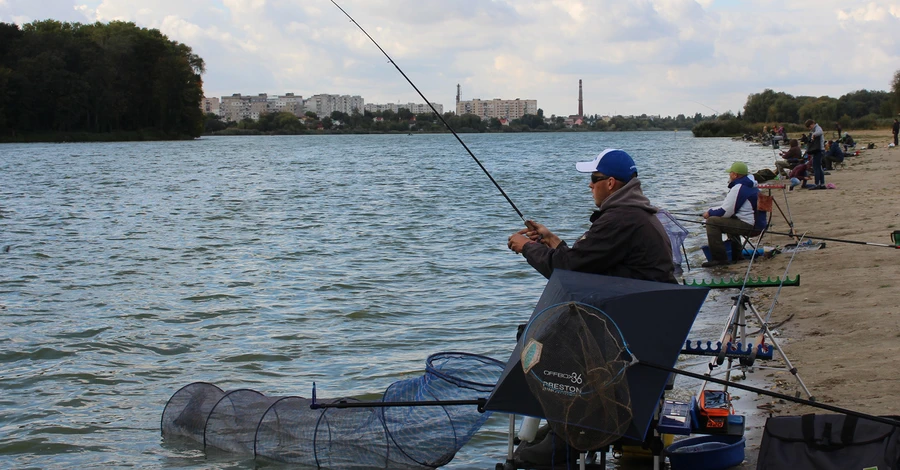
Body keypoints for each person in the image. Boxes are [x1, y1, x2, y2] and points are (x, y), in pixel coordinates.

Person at [507, 148, 677, 284]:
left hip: (641, 308)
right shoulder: (635, 212)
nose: (590, 185)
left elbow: (567, 270)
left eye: (594, 178)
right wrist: (551, 240)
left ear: (610, 183)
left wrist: (527, 247)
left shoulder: (620, 219)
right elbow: (584, 262)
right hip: (647, 302)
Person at [701, 162, 767, 267]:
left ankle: (719, 260)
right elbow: (730, 210)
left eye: (730, 173)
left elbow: (725, 212)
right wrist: (713, 211)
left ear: (735, 175)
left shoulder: (739, 187)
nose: (729, 175)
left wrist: (709, 213)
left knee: (712, 222)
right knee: (730, 219)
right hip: (760, 224)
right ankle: (737, 255)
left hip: (752, 226)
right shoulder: (751, 185)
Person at [805, 119, 826, 189]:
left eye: (809, 127)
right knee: (819, 167)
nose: (809, 128)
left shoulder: (817, 128)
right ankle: (822, 184)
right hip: (820, 150)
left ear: (812, 124)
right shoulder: (815, 129)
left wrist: (813, 135)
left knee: (816, 167)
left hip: (819, 150)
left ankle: (817, 184)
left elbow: (820, 132)